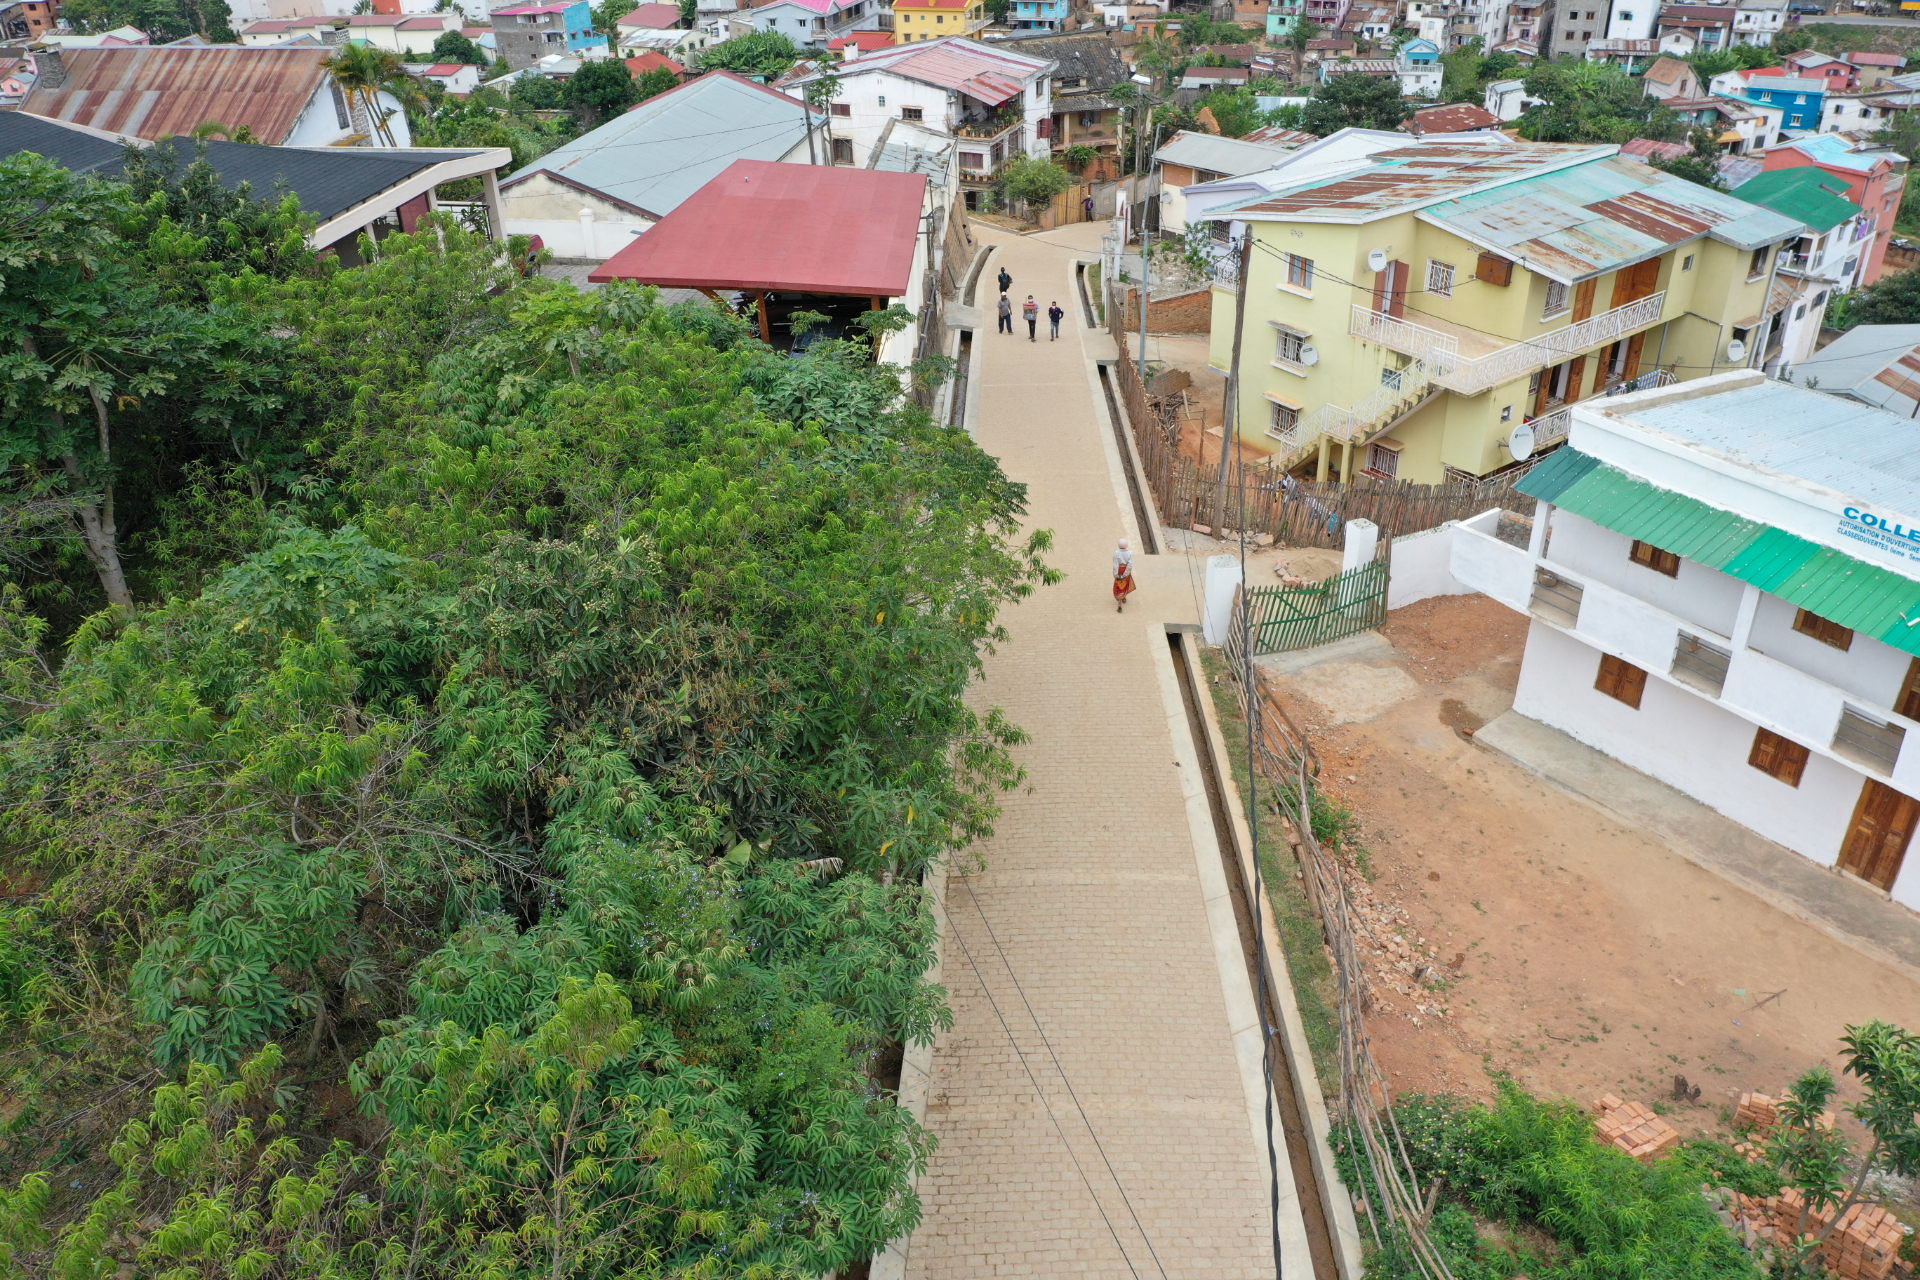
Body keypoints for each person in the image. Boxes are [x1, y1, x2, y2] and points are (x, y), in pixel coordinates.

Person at [1112, 538, 1137, 612]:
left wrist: (1116, 574)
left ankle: (1119, 603)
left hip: (1119, 570)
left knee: (1119, 586)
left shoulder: (1116, 553)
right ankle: (1123, 597)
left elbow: (1115, 564)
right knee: (1125, 585)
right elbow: (1130, 564)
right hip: (1125, 570)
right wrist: (1126, 573)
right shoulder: (1129, 553)